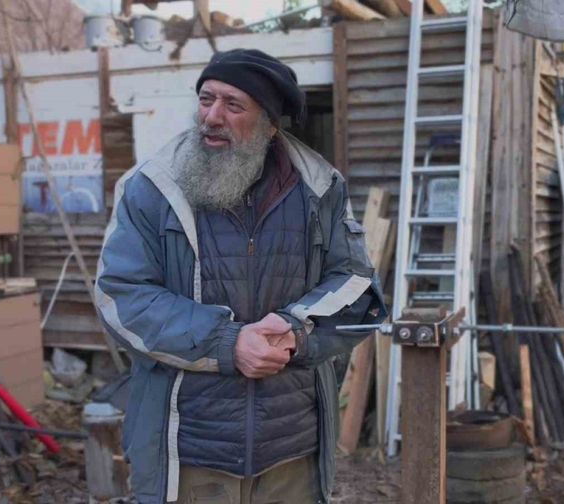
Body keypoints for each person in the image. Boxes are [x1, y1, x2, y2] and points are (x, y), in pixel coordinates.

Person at [95, 48, 386, 504]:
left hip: (292, 447)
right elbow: (120, 296)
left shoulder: (320, 188)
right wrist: (228, 343)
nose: (212, 116)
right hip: (186, 448)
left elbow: (356, 286)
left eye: (233, 105)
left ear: (271, 124)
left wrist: (296, 331)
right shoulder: (152, 188)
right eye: (206, 99)